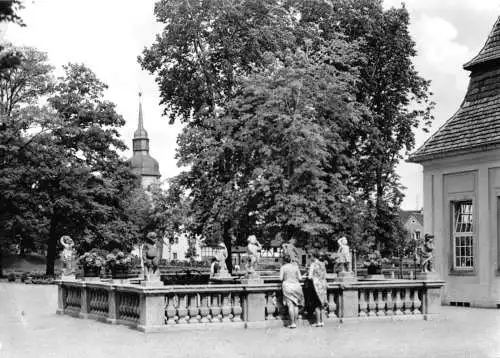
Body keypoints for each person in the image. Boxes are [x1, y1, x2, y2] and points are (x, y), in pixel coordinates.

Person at [280, 253, 304, 329]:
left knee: (290, 305)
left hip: (287, 286)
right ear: (290, 260)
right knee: (296, 305)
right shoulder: (296, 267)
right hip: (296, 286)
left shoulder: (283, 267)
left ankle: (292, 323)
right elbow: (300, 278)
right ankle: (295, 322)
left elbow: (280, 278)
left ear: (284, 260)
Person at [308, 249, 328, 327]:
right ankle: (322, 321)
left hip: (316, 286)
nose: (310, 258)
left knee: (316, 304)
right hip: (323, 285)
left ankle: (318, 322)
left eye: (310, 256)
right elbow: (325, 275)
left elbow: (310, 277)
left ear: (313, 256)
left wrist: (310, 275)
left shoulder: (313, 264)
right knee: (321, 304)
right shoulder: (322, 264)